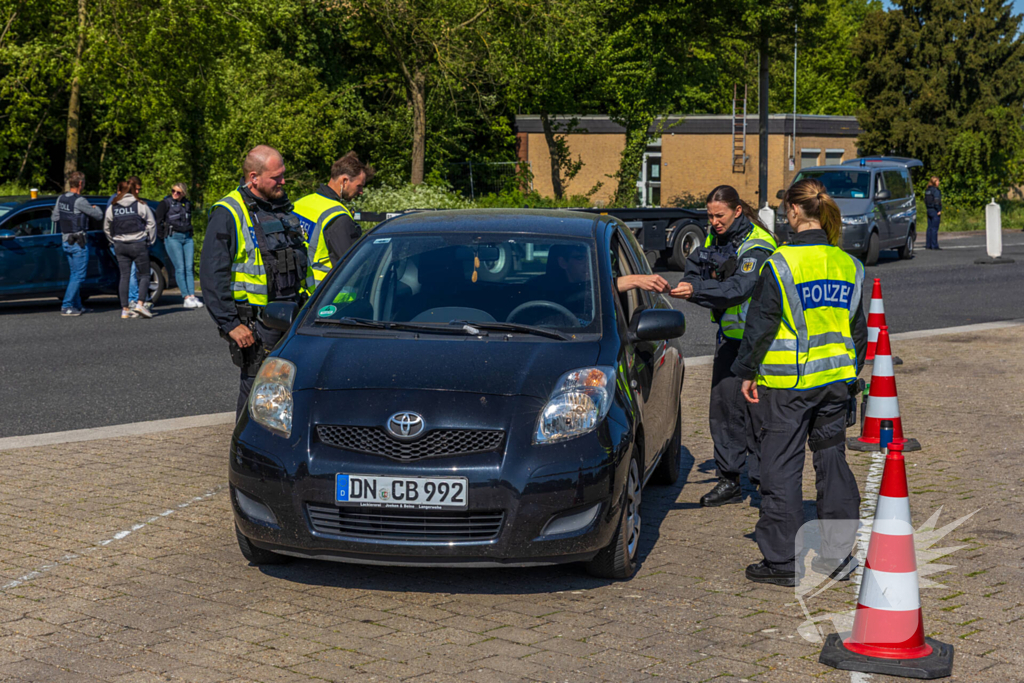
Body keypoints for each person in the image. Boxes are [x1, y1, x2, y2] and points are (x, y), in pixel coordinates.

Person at [732, 178, 867, 587]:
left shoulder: (780, 263)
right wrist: (847, 371)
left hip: (788, 386)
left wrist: (746, 373)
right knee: (833, 464)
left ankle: (781, 562)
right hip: (835, 385)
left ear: (793, 212)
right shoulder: (850, 264)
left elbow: (760, 327)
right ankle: (839, 559)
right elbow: (858, 331)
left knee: (780, 468)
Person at [670, 185, 777, 507]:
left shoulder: (758, 244)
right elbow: (693, 268)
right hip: (730, 340)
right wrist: (697, 285)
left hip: (759, 343)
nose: (714, 221)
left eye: (720, 215)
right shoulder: (717, 238)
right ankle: (729, 481)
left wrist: (697, 288)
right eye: (710, 215)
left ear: (737, 210)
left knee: (759, 415)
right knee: (724, 412)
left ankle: (763, 484)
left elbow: (738, 290)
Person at [199, 145, 311, 417]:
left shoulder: (280, 206)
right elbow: (212, 274)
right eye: (276, 177)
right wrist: (231, 324)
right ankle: (247, 456)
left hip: (294, 316)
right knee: (255, 394)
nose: (283, 181)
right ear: (254, 177)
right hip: (257, 326)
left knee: (292, 391)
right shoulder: (228, 212)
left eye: (283, 174)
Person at [293, 151, 374, 288]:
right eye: (359, 186)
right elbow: (352, 267)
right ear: (344, 181)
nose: (361, 192)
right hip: (327, 295)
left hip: (299, 289)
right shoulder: (338, 217)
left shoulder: (301, 203)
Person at [104, 178, 157, 319]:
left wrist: (113, 240)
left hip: (120, 245)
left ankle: (125, 309)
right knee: (145, 274)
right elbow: (151, 224)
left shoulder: (113, 207)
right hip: (138, 243)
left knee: (124, 276)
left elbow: (106, 227)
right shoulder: (140, 205)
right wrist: (150, 241)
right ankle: (140, 304)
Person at [53, 171, 103, 316]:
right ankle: (67, 306)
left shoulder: (61, 198)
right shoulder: (80, 201)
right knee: (79, 276)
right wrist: (94, 208)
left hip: (66, 241)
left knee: (74, 274)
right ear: (80, 184)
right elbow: (98, 216)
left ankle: (77, 305)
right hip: (78, 242)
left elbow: (55, 217)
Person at [156, 182, 203, 309]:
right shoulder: (165, 203)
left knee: (189, 267)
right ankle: (186, 297)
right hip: (173, 237)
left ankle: (192, 295)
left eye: (178, 192)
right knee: (180, 267)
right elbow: (158, 220)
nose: (175, 194)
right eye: (173, 191)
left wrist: (191, 232)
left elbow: (188, 219)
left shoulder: (187, 203)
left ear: (183, 193)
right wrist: (163, 237)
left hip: (187, 237)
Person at [924, 176, 942, 250]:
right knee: (934, 228)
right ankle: (934, 245)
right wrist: (938, 210)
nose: (939, 183)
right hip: (934, 210)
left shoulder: (927, 190)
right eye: (938, 181)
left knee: (929, 228)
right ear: (934, 182)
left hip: (929, 210)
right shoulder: (935, 191)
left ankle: (928, 245)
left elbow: (925, 200)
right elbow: (937, 201)